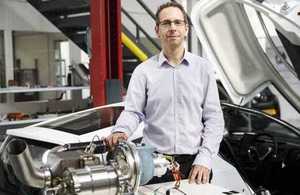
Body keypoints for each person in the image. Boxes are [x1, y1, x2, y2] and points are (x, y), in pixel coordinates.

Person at [106, 2, 224, 185]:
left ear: (186, 29)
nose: (172, 28)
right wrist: (121, 130)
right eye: (166, 23)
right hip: (153, 164)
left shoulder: (203, 69)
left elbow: (214, 118)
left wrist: (205, 158)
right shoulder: (143, 71)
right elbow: (132, 112)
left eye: (178, 22)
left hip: (194, 166)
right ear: (157, 30)